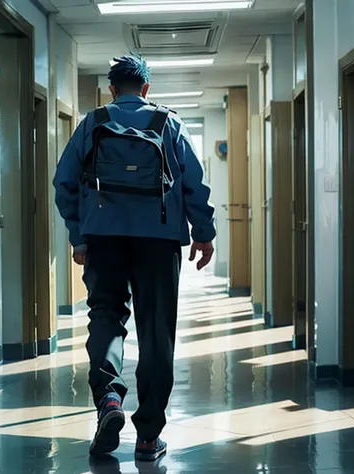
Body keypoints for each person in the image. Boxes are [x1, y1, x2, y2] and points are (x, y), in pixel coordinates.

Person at [53, 54, 215, 462]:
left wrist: (79, 236)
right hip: (159, 242)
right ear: (146, 89)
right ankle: (148, 437)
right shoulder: (169, 124)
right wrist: (204, 234)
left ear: (112, 89)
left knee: (106, 316)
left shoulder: (92, 123)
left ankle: (108, 397)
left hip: (104, 238)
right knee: (157, 331)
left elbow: (64, 183)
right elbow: (195, 184)